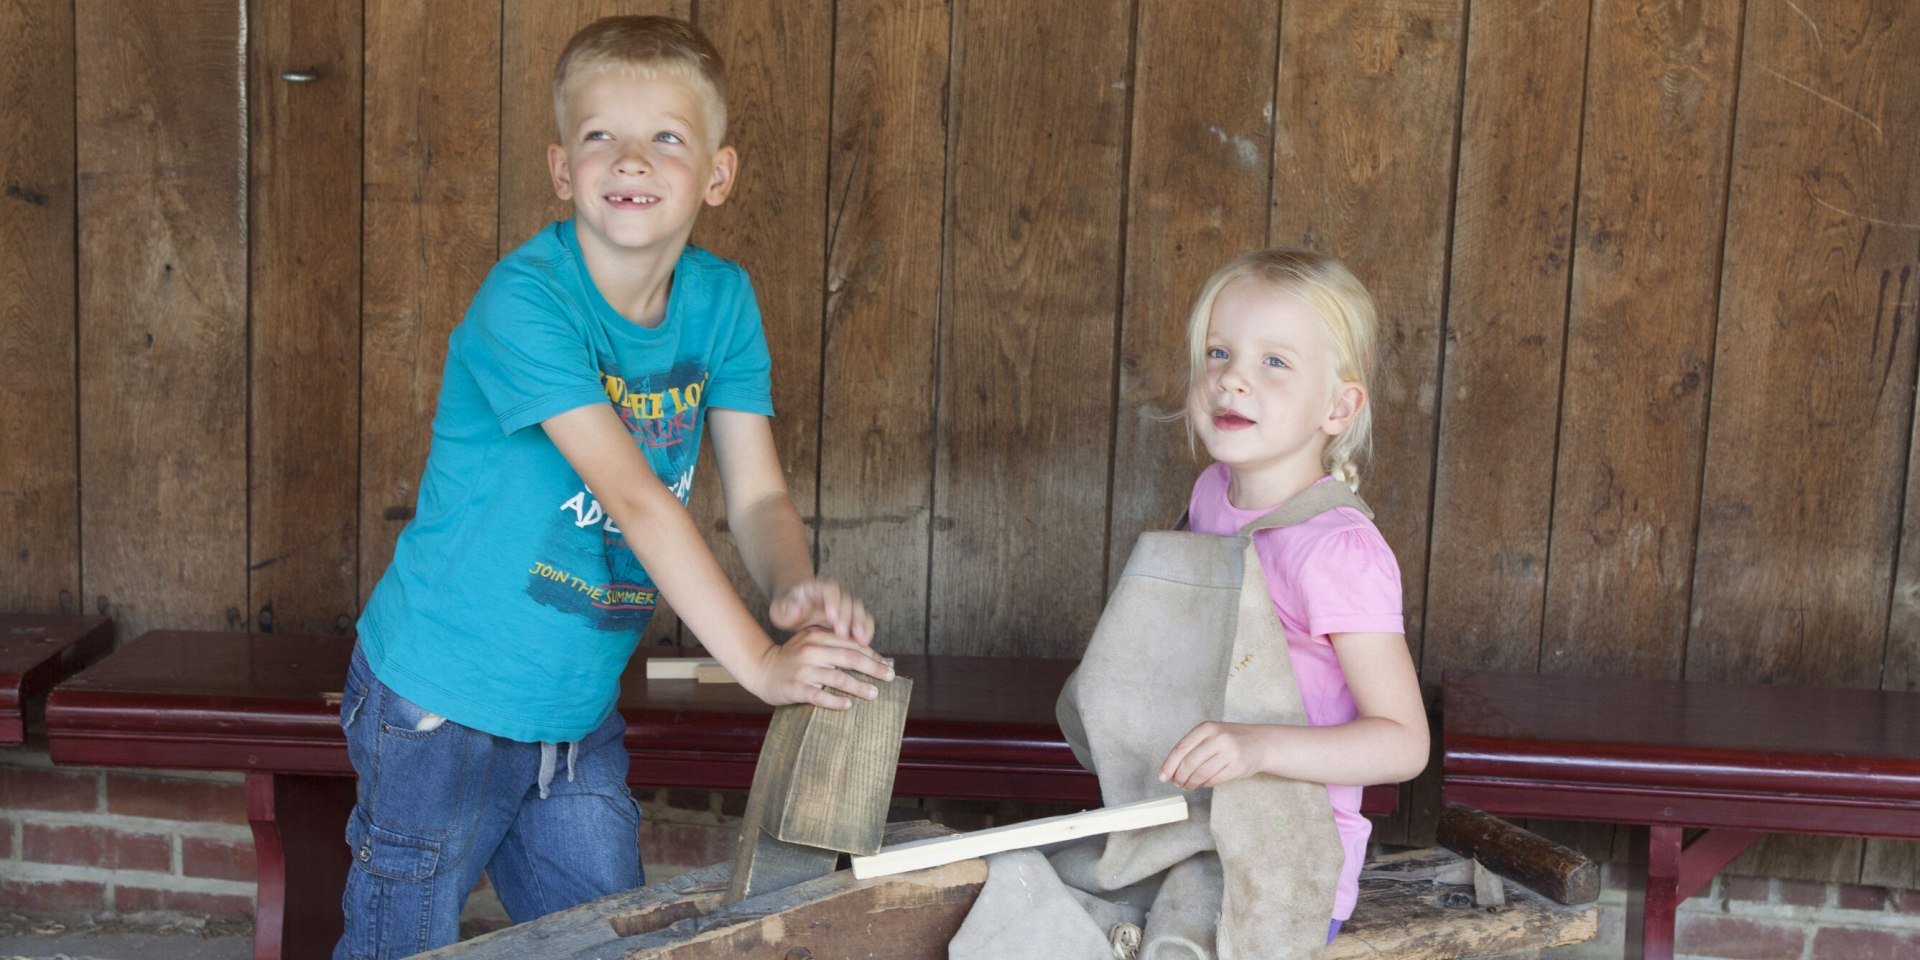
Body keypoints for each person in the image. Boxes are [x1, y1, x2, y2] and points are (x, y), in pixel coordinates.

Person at [335, 16, 892, 959]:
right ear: (561, 168)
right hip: (441, 698)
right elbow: (637, 500)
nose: (631, 157)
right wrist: (758, 665)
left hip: (572, 713)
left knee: (614, 942)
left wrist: (790, 591)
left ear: (717, 175)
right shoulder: (527, 300)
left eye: (667, 137)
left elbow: (755, 496)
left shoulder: (722, 302)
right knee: (403, 946)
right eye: (602, 135)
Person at [1154, 248, 1429, 942]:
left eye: (1274, 363)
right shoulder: (1210, 495)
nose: (1231, 380)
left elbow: (1403, 745)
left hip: (1290, 867)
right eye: (1218, 353)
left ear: (1338, 406)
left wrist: (1257, 747)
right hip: (1194, 832)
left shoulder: (1337, 550)